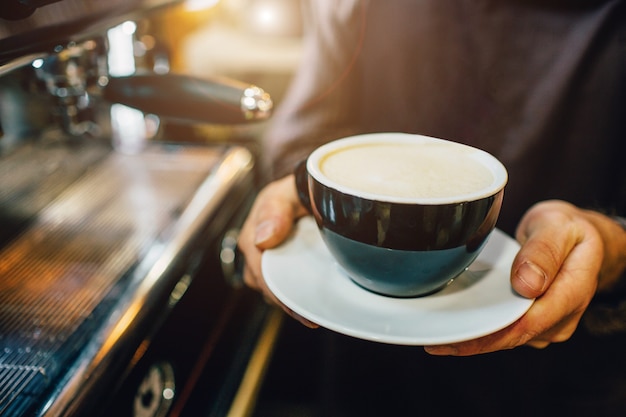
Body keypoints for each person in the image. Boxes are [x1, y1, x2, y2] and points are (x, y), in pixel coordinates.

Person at [238, 1, 626, 415]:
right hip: (367, 350)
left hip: (561, 374)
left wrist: (610, 244)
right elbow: (305, 133)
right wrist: (295, 190)